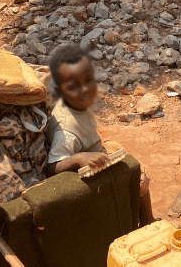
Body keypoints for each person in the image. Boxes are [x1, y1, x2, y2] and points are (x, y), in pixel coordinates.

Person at [47, 43, 155, 226]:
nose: (85, 89)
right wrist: (78, 158)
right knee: (139, 173)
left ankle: (137, 215)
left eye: (89, 80)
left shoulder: (75, 104)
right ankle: (147, 222)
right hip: (86, 172)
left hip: (92, 151)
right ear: (59, 90)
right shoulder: (66, 130)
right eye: (75, 86)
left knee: (128, 160)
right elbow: (51, 167)